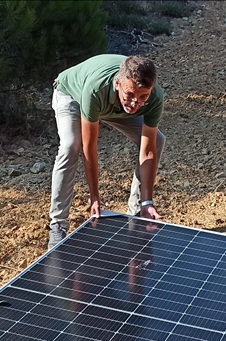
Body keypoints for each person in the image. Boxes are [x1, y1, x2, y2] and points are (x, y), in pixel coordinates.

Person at [47, 54, 166, 249]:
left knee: (158, 140)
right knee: (71, 145)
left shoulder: (154, 97)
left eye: (143, 96)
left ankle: (138, 213)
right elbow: (90, 147)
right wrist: (94, 197)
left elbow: (148, 150)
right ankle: (58, 225)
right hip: (73, 95)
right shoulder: (96, 90)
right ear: (118, 83)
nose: (135, 103)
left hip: (111, 105)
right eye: (130, 95)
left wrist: (148, 201)